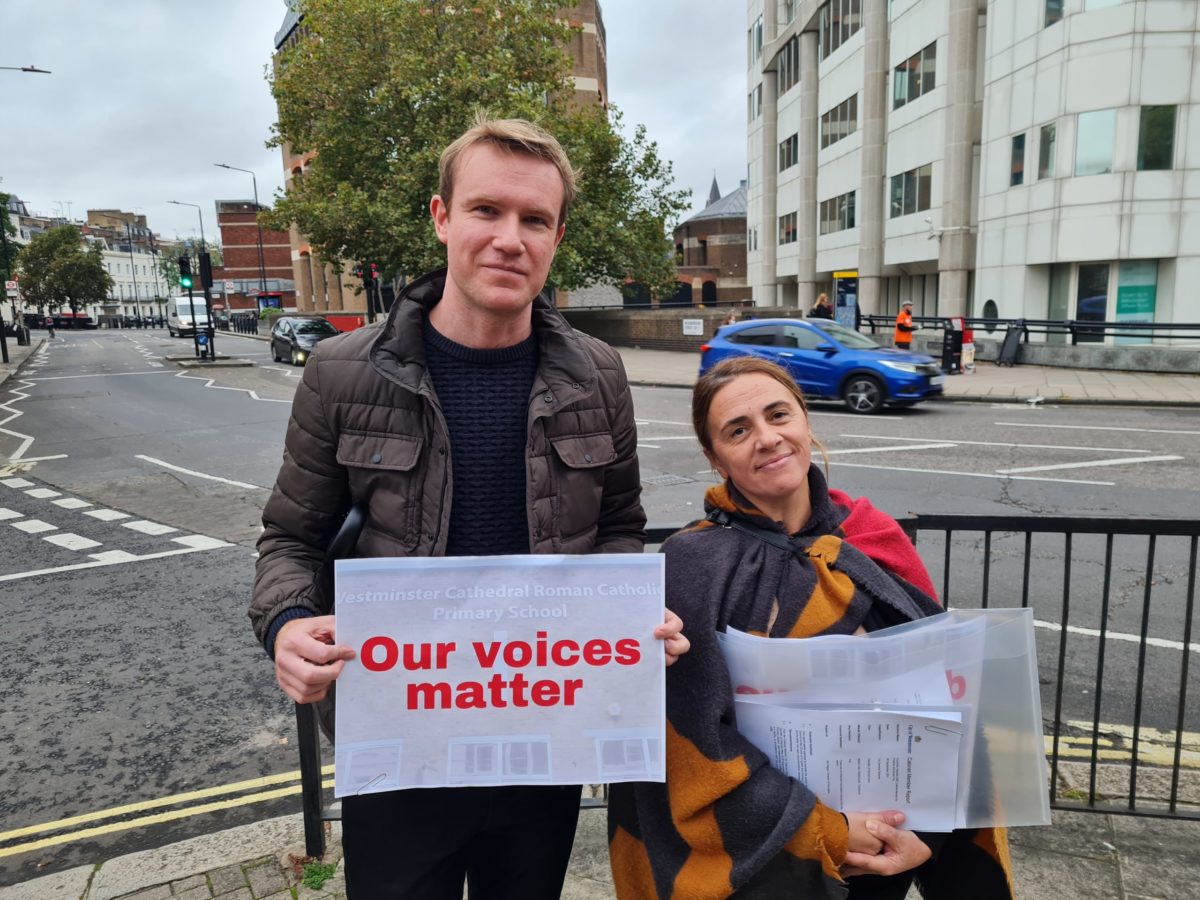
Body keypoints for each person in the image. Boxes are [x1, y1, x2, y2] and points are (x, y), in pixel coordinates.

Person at [249, 116, 689, 898]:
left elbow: (619, 528)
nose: (509, 239)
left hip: (543, 732)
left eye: (535, 219)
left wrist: (625, 616)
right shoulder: (341, 372)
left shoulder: (598, 374)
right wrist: (287, 625)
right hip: (398, 738)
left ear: (557, 237)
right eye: (487, 210)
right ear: (442, 217)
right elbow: (289, 538)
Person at [608, 356, 1013, 899]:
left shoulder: (872, 538)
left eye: (779, 415)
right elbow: (692, 745)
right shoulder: (691, 565)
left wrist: (927, 837)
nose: (768, 438)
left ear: (805, 420)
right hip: (766, 867)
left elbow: (945, 705)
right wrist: (823, 831)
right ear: (714, 457)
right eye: (738, 430)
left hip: (882, 852)